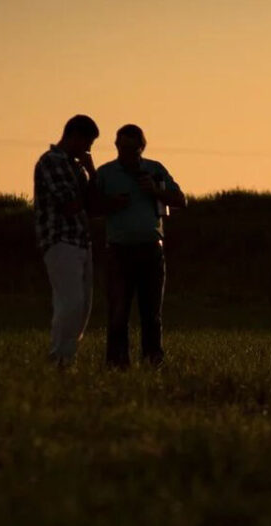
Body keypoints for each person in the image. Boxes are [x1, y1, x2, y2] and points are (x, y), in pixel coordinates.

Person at [96, 124, 187, 368]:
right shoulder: (105, 173)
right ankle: (117, 364)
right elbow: (90, 206)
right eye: (124, 148)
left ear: (141, 148)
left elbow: (181, 200)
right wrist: (110, 204)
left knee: (151, 313)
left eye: (134, 150)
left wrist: (156, 191)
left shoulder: (155, 170)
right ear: (116, 146)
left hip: (151, 249)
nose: (128, 154)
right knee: (118, 312)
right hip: (118, 251)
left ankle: (152, 362)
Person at [33, 114, 100, 368]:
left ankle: (65, 356)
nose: (88, 149)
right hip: (60, 240)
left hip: (81, 240)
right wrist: (88, 187)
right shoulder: (51, 162)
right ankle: (59, 357)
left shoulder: (76, 167)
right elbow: (71, 204)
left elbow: (91, 205)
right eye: (87, 142)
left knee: (82, 307)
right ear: (74, 136)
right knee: (70, 302)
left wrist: (91, 173)